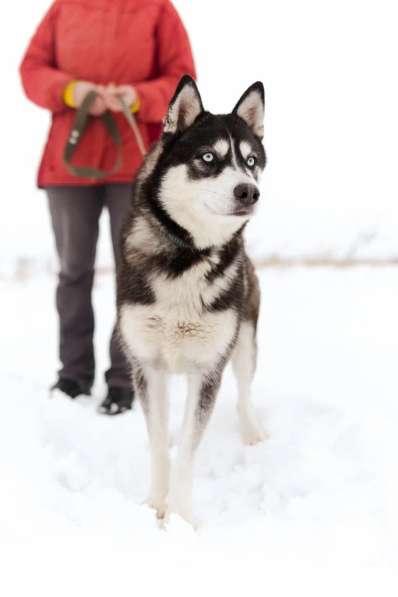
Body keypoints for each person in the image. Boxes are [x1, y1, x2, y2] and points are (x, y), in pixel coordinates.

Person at [20, 0, 196, 414]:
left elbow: (182, 80)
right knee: (73, 272)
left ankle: (125, 378)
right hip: (69, 164)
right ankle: (72, 375)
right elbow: (32, 71)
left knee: (134, 274)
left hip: (135, 164)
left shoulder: (158, 10)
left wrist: (136, 97)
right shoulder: (64, 8)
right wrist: (70, 91)